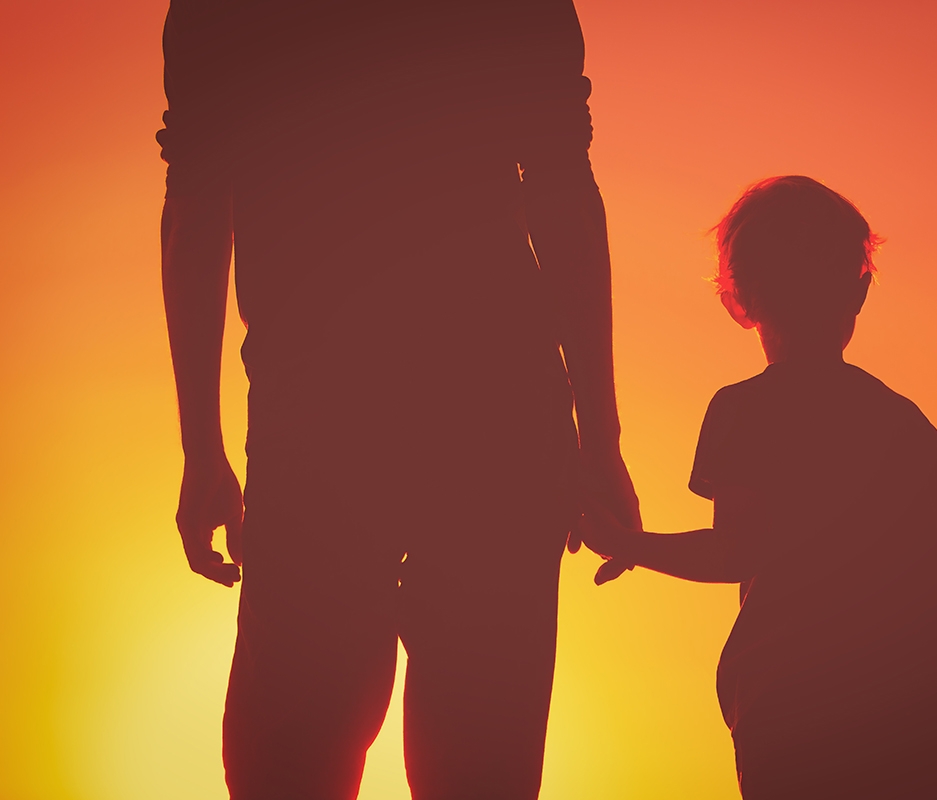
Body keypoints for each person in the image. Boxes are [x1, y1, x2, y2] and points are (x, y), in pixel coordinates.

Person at [157, 1, 639, 798]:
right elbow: (563, 194)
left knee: (290, 755)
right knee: (480, 764)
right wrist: (600, 437)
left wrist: (201, 448)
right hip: (494, 405)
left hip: (323, 414)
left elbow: (199, 210)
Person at [580, 176, 937, 798]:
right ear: (858, 291)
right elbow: (929, 589)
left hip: (791, 716)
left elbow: (737, 551)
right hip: (905, 724)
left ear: (739, 300)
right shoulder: (909, 426)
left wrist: (635, 545)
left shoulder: (746, 412)